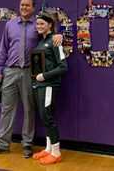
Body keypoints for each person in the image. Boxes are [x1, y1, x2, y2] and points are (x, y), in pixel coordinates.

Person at [0, 0, 62, 158]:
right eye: (22, 5)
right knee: (6, 108)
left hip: (29, 72)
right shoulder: (10, 25)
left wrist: (58, 35)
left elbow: (49, 35)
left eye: (27, 5)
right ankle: (3, 144)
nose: (24, 7)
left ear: (33, 8)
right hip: (10, 71)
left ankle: (27, 144)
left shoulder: (37, 25)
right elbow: (3, 48)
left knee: (29, 109)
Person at [32, 12, 67, 165]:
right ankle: (48, 150)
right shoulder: (42, 41)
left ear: (50, 25)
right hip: (40, 85)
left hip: (49, 85)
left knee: (48, 118)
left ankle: (56, 152)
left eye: (42, 24)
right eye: (37, 23)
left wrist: (44, 77)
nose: (39, 26)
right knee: (45, 117)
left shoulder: (55, 40)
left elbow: (63, 67)